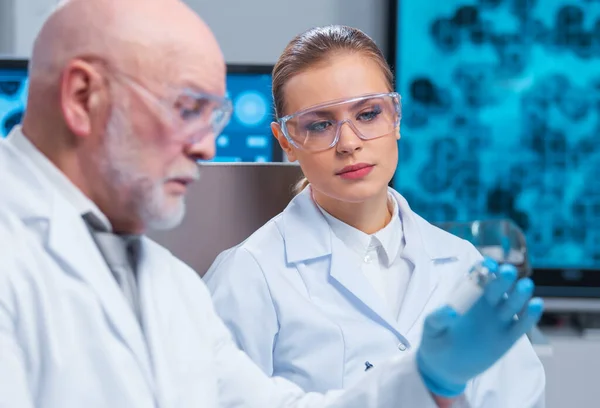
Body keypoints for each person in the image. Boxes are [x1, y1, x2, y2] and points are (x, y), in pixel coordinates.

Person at [204, 25, 546, 407]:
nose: (349, 143)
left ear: (396, 117)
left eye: (367, 114)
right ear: (286, 142)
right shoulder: (249, 274)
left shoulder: (462, 263)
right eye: (320, 125)